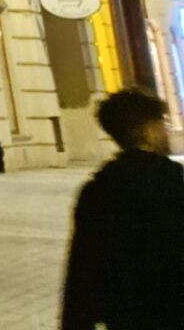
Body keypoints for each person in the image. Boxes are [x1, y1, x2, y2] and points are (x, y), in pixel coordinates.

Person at [60, 86, 184, 330]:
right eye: (162, 123)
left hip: (123, 315)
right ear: (147, 132)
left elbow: (82, 267)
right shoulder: (170, 183)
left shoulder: (96, 190)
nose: (166, 130)